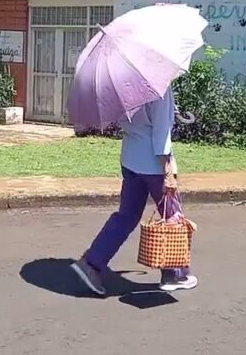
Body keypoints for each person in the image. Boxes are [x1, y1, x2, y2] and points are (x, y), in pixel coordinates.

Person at [71, 88, 198, 296]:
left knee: (126, 216)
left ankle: (91, 263)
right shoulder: (159, 90)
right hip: (154, 165)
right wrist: (168, 172)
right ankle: (175, 274)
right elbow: (160, 133)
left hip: (131, 158)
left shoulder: (125, 86)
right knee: (173, 216)